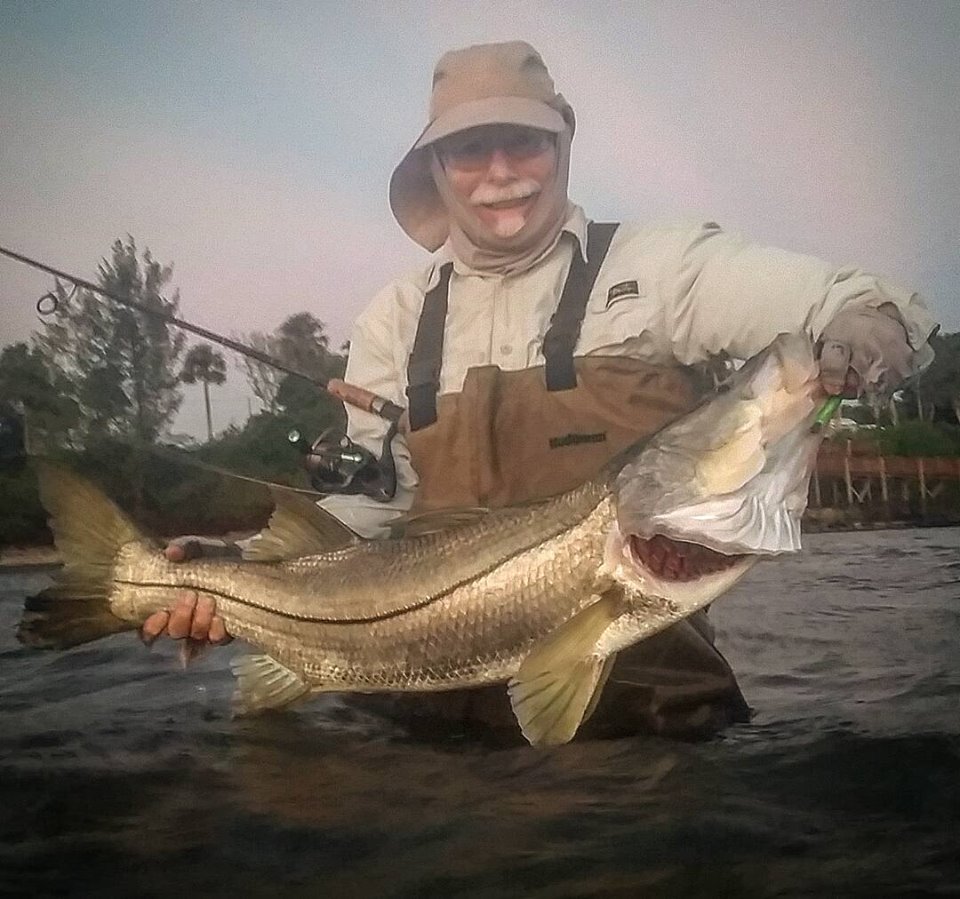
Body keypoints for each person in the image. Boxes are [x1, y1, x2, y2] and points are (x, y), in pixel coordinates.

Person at [142, 41, 936, 739]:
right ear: (435, 170)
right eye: (469, 150)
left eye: (523, 141)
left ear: (560, 145)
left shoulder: (662, 267)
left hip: (649, 716)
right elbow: (370, 509)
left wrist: (868, 325)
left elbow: (850, 299)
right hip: (411, 718)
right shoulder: (392, 318)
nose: (500, 173)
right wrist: (234, 570)